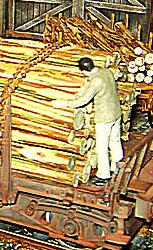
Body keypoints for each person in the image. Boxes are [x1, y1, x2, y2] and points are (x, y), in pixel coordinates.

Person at [52, 57, 123, 186]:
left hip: (105, 117)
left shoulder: (96, 81)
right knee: (115, 141)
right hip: (116, 112)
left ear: (84, 71)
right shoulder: (106, 71)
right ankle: (118, 168)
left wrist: (64, 103)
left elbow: (83, 100)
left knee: (102, 146)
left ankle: (103, 175)